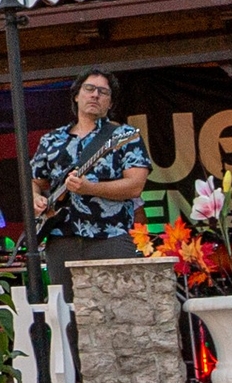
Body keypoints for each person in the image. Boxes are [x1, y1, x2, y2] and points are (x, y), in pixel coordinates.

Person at [28, 71, 153, 271]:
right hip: (61, 239)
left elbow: (135, 186)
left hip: (111, 237)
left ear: (110, 103)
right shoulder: (51, 140)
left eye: (103, 92)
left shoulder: (125, 135)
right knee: (64, 302)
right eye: (89, 89)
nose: (95, 95)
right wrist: (35, 198)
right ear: (76, 96)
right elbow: (35, 181)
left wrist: (90, 188)